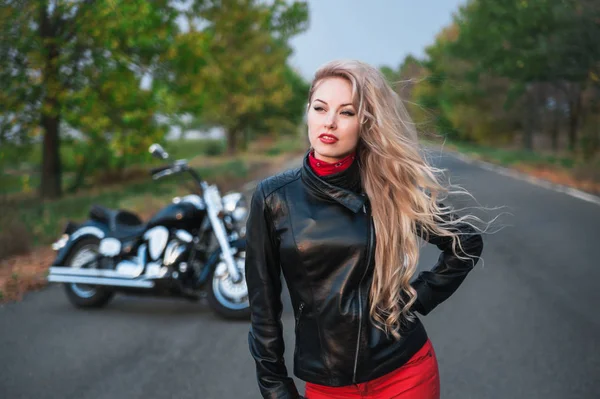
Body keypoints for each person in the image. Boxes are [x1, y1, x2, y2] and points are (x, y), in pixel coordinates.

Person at [244, 59, 485, 399]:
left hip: (405, 372)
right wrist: (275, 387)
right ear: (308, 112)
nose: (329, 121)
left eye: (346, 112)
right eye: (320, 107)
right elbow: (263, 306)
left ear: (365, 123)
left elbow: (465, 243)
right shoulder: (273, 197)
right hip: (329, 384)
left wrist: (415, 297)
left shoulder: (388, 186)